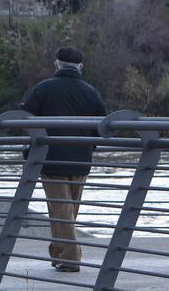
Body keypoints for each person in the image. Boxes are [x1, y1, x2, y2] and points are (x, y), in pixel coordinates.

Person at [19, 47, 106, 272]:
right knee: (67, 211)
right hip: (81, 160)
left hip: (51, 159)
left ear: (57, 64)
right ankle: (58, 252)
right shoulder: (91, 92)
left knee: (60, 210)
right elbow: (101, 126)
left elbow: (23, 118)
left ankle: (70, 258)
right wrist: (90, 147)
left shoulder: (43, 89)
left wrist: (30, 149)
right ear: (81, 66)